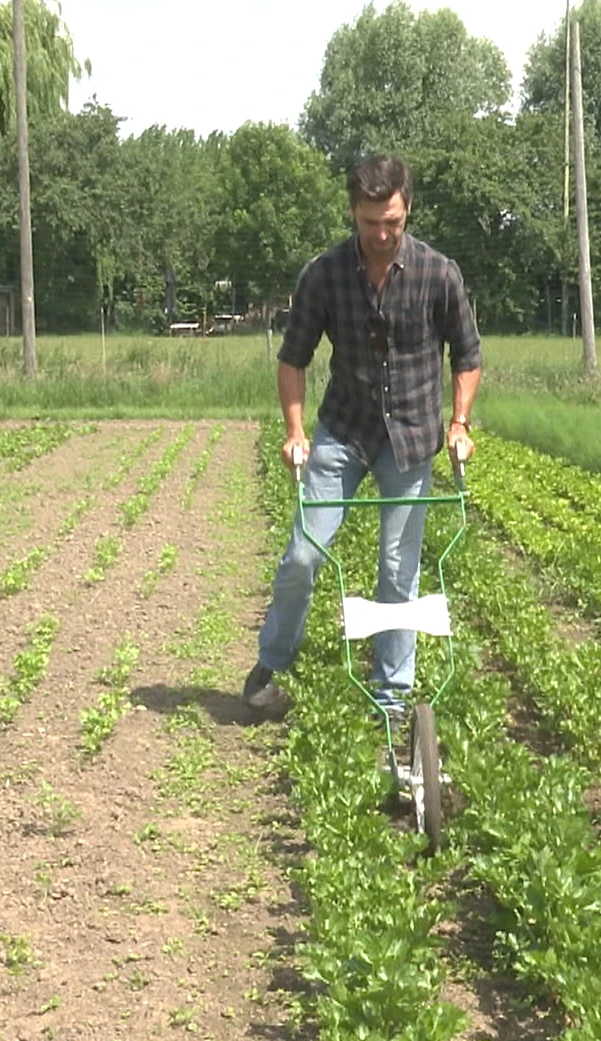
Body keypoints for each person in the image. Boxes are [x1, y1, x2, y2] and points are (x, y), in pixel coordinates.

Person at [243, 154, 482, 718]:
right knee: (304, 554)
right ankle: (269, 666)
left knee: (399, 571)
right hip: (343, 431)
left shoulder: (437, 273)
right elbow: (292, 359)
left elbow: (467, 355)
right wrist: (296, 431)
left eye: (392, 222)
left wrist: (460, 423)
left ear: (407, 210)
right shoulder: (324, 275)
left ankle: (392, 695)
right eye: (371, 221)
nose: (382, 234)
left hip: (414, 436)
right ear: (353, 211)